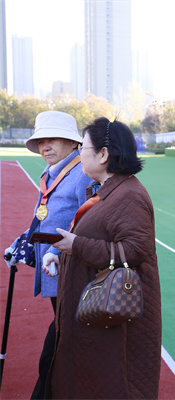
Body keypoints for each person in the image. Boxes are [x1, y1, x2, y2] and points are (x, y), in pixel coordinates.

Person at [45, 118, 162, 398]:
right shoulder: (107, 191)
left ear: (103, 154)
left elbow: (136, 250)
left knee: (113, 384)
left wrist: (77, 246)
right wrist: (66, 254)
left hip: (112, 318)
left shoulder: (129, 195)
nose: (79, 154)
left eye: (83, 147)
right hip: (96, 311)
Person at [3, 110, 93, 399]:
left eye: (52, 139)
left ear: (72, 142)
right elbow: (41, 218)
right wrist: (22, 243)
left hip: (73, 273)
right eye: (40, 141)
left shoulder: (83, 174)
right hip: (54, 273)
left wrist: (54, 249)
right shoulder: (48, 173)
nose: (45, 147)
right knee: (65, 343)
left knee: (58, 348)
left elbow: (88, 223)